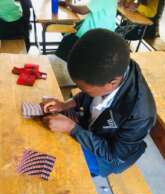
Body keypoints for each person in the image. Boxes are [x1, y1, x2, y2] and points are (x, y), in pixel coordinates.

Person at [41, 29, 156, 177]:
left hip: (109, 156)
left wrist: (72, 128)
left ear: (112, 83)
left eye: (85, 90)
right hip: (93, 125)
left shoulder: (140, 114)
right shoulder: (112, 68)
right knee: (48, 120)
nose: (80, 91)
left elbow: (113, 155)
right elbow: (86, 95)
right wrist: (65, 105)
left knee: (62, 164)